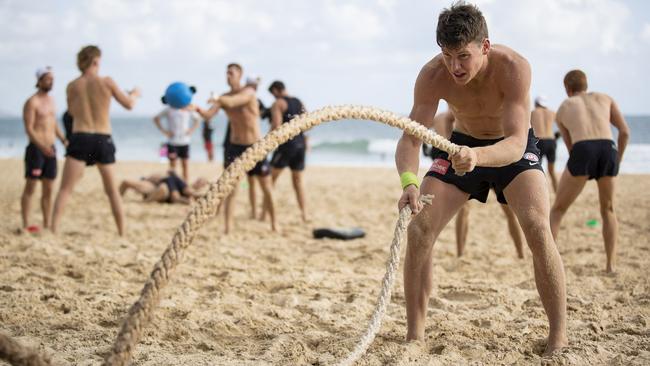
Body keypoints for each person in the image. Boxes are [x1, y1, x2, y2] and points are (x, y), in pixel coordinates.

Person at [395, 3, 567, 354]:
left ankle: (558, 336)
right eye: (446, 55)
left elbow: (518, 143)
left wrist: (478, 157)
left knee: (537, 226)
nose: (454, 67)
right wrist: (409, 182)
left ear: (484, 47)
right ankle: (415, 335)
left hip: (510, 149)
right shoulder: (432, 75)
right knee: (419, 228)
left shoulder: (514, 67)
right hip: (460, 145)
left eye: (462, 56)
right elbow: (411, 137)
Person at [51, 45, 140, 236]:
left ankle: (53, 229)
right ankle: (122, 231)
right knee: (112, 191)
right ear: (96, 61)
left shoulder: (72, 85)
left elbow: (72, 112)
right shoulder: (107, 82)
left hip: (81, 136)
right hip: (102, 137)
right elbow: (129, 105)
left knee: (65, 189)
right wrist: (135, 94)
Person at [550, 70, 629, 274]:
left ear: (567, 89)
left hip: (583, 148)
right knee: (608, 210)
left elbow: (571, 148)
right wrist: (616, 161)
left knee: (558, 209)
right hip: (608, 148)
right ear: (586, 84)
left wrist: (581, 165)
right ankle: (610, 266)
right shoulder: (605, 98)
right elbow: (625, 132)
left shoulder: (563, 108)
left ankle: (548, 263)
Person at [428, 111, 525, 258]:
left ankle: (520, 253)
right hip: (465, 159)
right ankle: (461, 253)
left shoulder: (447, 116)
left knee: (506, 211)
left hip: (478, 156)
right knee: (466, 211)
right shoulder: (451, 115)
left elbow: (425, 130)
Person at [198, 63, 277, 233]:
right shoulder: (223, 97)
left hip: (255, 147)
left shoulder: (248, 93)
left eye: (231, 73)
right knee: (231, 189)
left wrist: (217, 98)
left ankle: (274, 224)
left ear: (240, 75)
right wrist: (195, 108)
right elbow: (208, 115)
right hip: (235, 147)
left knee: (267, 189)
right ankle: (228, 227)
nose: (228, 76)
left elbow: (234, 102)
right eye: (226, 73)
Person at [21, 66, 67, 233]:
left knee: (48, 188)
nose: (51, 82)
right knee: (31, 187)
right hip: (36, 149)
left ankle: (47, 224)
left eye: (52, 79)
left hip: (51, 149)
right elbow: (29, 129)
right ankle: (26, 224)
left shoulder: (52, 101)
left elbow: (53, 124)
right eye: (47, 79)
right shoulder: (32, 102)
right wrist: (41, 146)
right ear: (39, 81)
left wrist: (63, 140)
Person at [262, 80, 308, 222]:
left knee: (269, 181)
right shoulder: (298, 102)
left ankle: (263, 215)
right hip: (300, 145)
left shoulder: (278, 103)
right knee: (298, 182)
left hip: (286, 146)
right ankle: (304, 214)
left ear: (275, 90)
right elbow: (308, 124)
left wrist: (265, 143)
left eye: (272, 94)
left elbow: (276, 126)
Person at [153, 103, 200, 182]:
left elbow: (198, 119)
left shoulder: (188, 109)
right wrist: (164, 131)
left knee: (185, 165)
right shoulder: (169, 109)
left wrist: (191, 130)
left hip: (185, 142)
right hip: (172, 142)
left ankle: (185, 185)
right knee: (173, 167)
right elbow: (156, 118)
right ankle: (173, 185)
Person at [119, 171, 208, 204]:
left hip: (162, 190)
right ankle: (117, 199)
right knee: (125, 182)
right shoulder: (184, 183)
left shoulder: (187, 189)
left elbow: (176, 198)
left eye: (201, 182)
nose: (198, 182)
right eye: (199, 180)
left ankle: (145, 201)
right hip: (157, 186)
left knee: (163, 188)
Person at [531, 95, 559, 191]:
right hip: (551, 141)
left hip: (539, 142)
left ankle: (539, 191)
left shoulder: (532, 113)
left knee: (537, 170)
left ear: (536, 103)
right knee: (552, 171)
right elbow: (563, 126)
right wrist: (557, 136)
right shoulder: (552, 113)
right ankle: (557, 193)